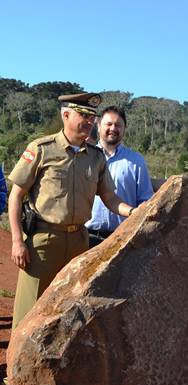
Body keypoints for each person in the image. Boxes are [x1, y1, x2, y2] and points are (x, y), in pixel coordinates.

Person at [8, 93, 137, 329]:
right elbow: (16, 195)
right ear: (65, 115)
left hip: (79, 242)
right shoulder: (42, 149)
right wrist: (17, 240)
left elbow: (109, 197)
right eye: (83, 115)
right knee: (29, 310)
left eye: (92, 117)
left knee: (70, 309)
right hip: (43, 242)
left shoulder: (95, 158)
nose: (89, 122)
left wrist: (134, 212)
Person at [85, 106, 153, 247]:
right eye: (108, 124)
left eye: (118, 125)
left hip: (122, 238)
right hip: (86, 236)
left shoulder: (136, 161)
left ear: (124, 129)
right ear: (98, 126)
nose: (113, 128)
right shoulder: (85, 157)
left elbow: (145, 199)